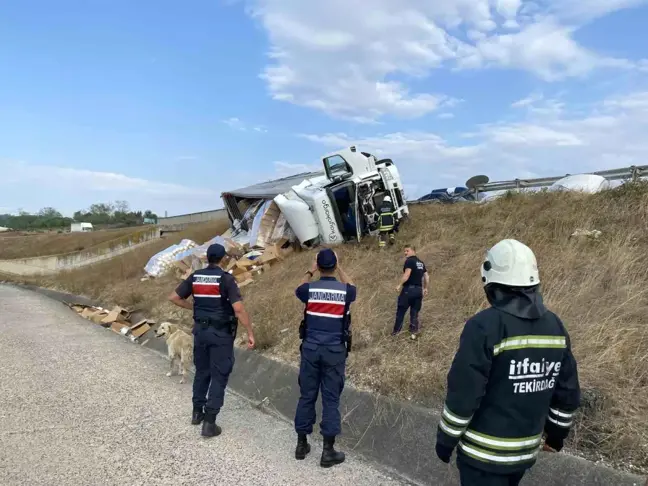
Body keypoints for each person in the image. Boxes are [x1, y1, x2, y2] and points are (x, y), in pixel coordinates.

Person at [435, 239, 581, 486]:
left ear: (491, 282)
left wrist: (446, 440)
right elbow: (567, 391)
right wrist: (556, 436)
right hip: (523, 456)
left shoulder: (483, 326)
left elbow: (464, 393)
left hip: (482, 458)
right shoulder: (555, 327)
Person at [169, 243, 255, 438]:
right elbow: (239, 309)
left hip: (200, 332)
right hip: (220, 335)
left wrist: (194, 308)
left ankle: (196, 412)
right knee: (219, 375)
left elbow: (174, 297)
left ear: (207, 258)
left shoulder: (195, 276)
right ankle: (210, 422)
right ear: (223, 259)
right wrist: (250, 331)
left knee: (202, 372)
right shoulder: (226, 279)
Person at [293, 248, 356, 468]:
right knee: (331, 399)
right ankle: (327, 452)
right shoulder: (344, 291)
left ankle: (301, 445)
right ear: (334, 265)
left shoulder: (309, 290)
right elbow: (353, 287)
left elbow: (298, 288)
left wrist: (310, 271)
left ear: (319, 266)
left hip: (310, 350)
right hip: (334, 352)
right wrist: (339, 268)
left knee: (307, 395)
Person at [392, 245, 429, 340]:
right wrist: (425, 288)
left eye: (407, 251)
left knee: (401, 311)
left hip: (409, 290)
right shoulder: (421, 263)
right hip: (418, 291)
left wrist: (399, 284)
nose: (405, 253)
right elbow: (426, 276)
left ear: (413, 251)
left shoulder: (409, 261)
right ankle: (413, 333)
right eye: (404, 251)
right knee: (415, 312)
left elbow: (407, 274)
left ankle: (396, 333)